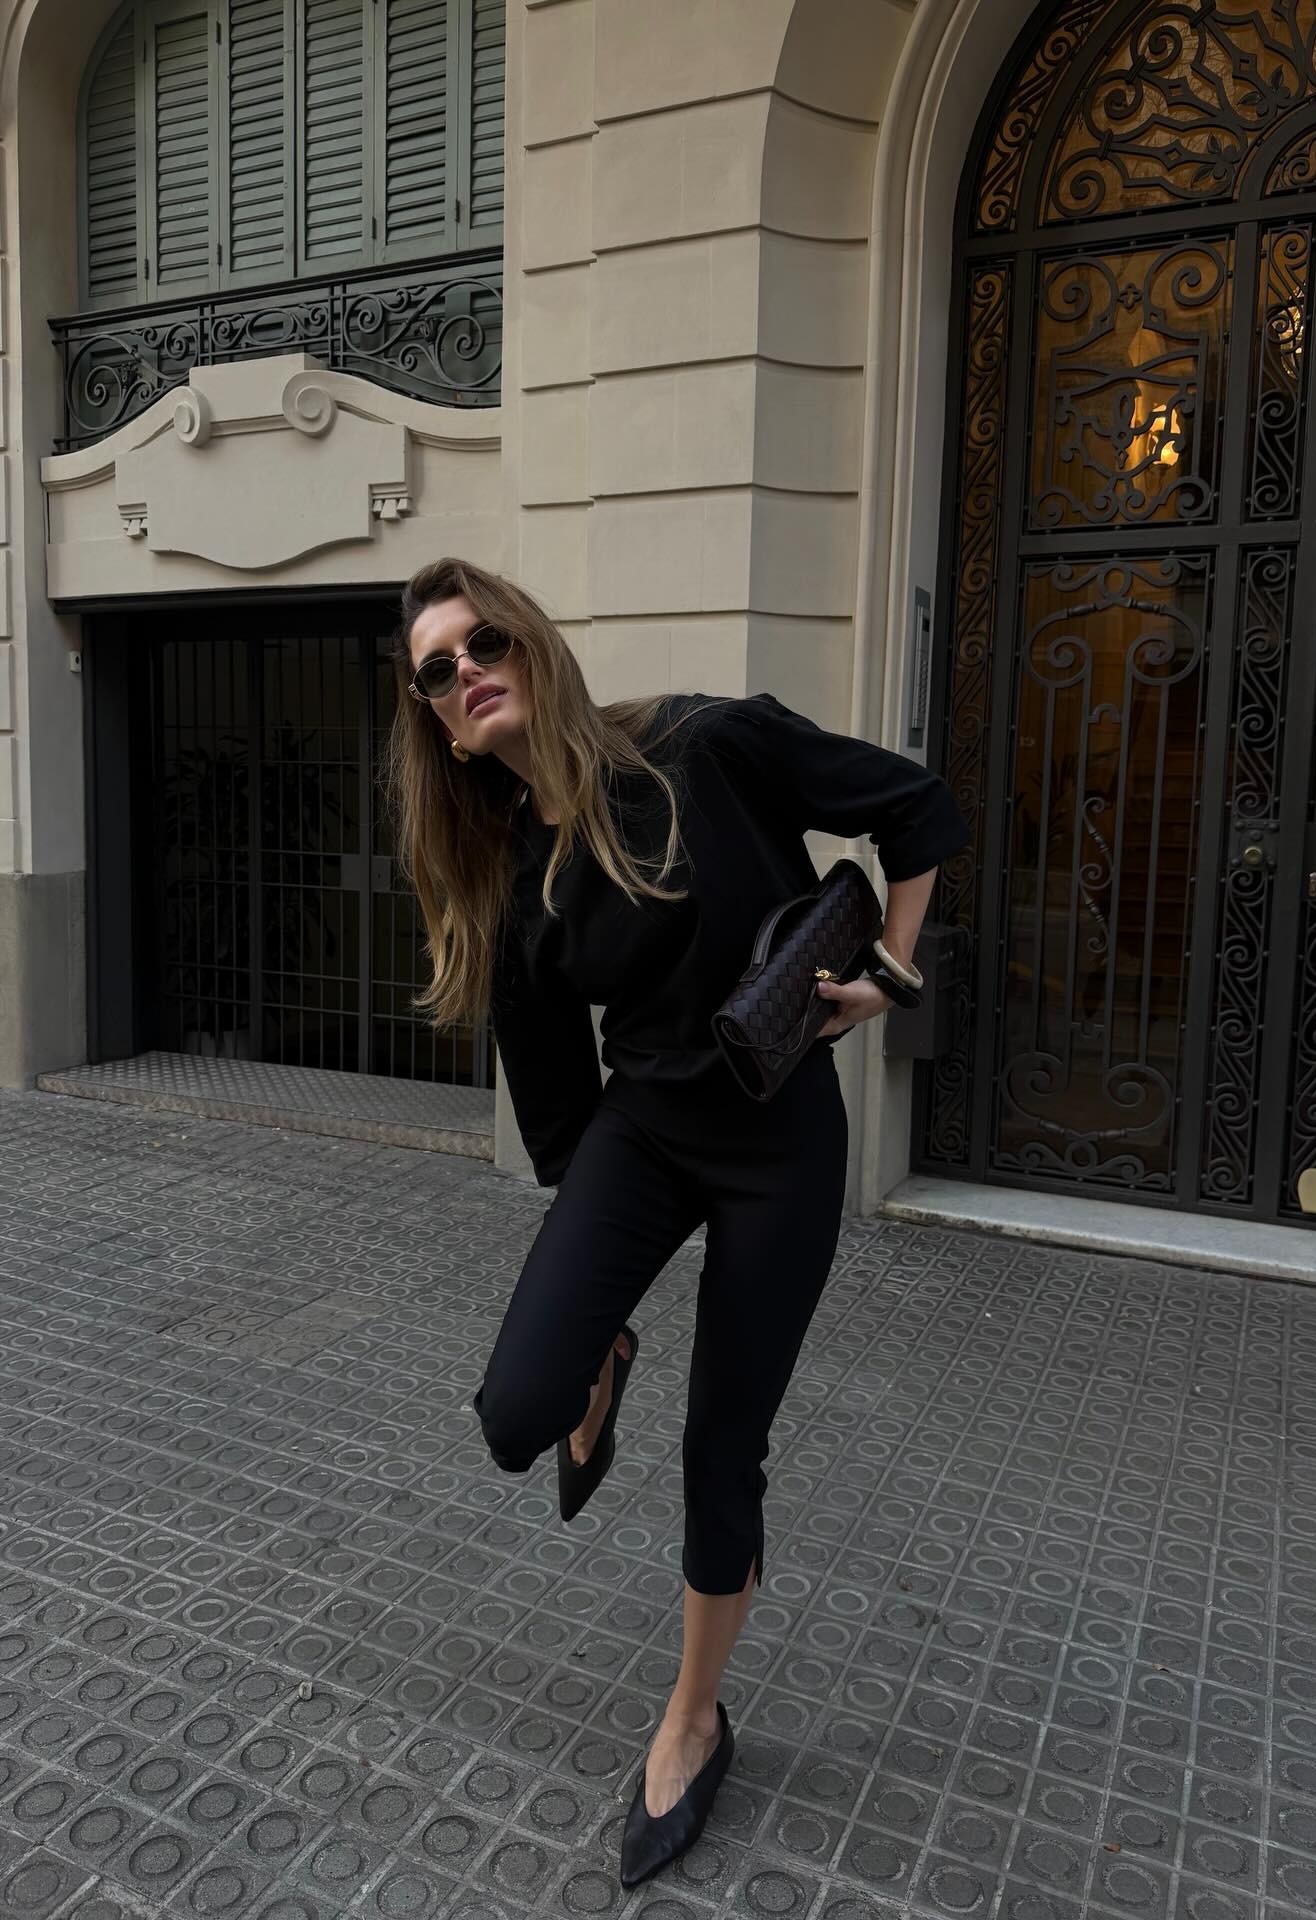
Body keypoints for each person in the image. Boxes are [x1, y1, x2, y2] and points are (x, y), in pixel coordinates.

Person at [387, 557, 968, 1886]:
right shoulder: (507, 864)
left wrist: (890, 967)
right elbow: (551, 1099)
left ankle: (694, 1720)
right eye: (437, 668)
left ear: (528, 644)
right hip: (640, 1136)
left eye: (482, 640)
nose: (467, 668)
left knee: (724, 1451)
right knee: (514, 1414)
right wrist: (587, 1301)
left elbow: (917, 810)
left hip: (777, 1147)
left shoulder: (706, 745)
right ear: (434, 715)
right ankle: (605, 1362)